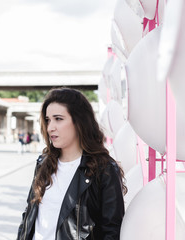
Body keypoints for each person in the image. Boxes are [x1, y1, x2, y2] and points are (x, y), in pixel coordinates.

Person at [17, 88, 127, 240]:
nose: (50, 127)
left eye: (58, 119)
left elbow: (112, 230)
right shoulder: (44, 163)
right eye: (48, 120)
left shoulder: (103, 169)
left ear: (79, 121)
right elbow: (28, 215)